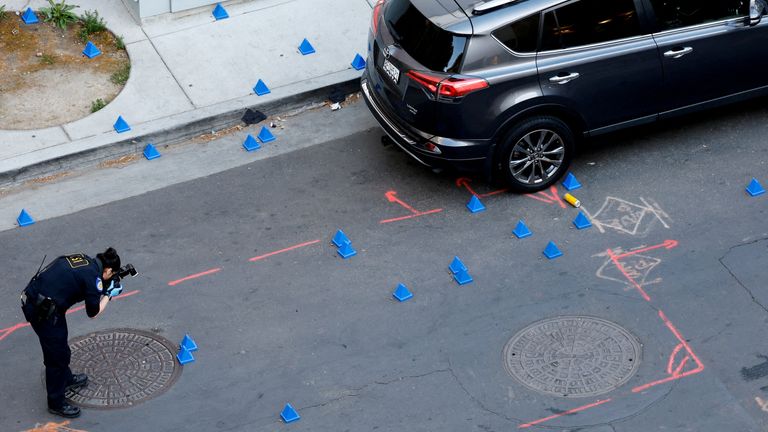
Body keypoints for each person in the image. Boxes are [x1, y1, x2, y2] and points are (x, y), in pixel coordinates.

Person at [21, 248, 124, 418]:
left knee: (61, 347)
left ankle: (66, 379)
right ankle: (56, 403)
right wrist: (108, 295)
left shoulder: (84, 260)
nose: (110, 278)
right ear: (108, 270)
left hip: (42, 299)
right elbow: (93, 313)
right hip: (42, 311)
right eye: (111, 275)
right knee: (56, 357)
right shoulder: (94, 279)